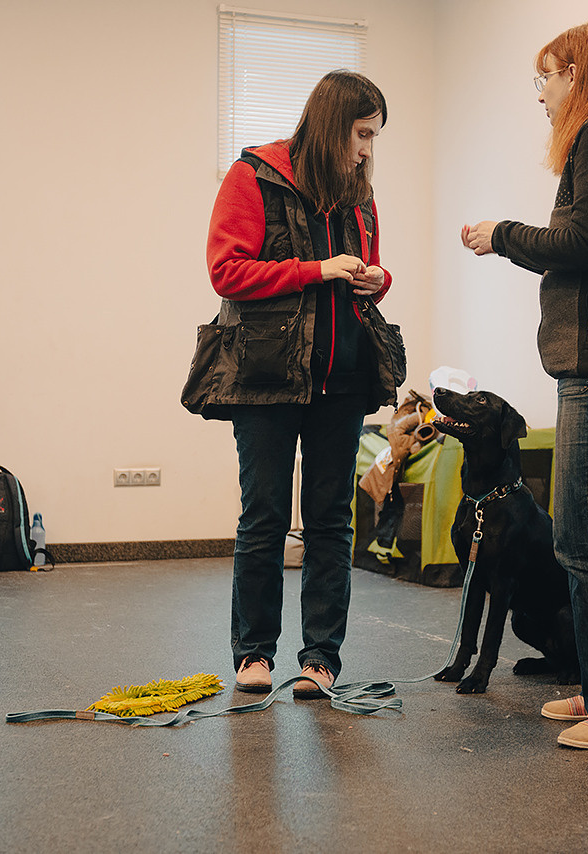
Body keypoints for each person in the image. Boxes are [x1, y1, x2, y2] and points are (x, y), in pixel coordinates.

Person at [460, 22, 588, 749]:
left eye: (546, 77)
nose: (541, 94)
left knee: (584, 534)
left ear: (577, 73)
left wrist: (502, 234)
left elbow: (583, 245)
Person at [202, 70, 398, 699]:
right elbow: (226, 271)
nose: (367, 149)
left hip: (342, 383)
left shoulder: (359, 192)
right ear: (332, 122)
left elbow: (365, 266)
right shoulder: (252, 178)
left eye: (374, 137)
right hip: (266, 380)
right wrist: (317, 269)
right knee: (263, 517)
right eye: (362, 133)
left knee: (331, 523)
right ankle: (254, 653)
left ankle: (320, 660)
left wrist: (377, 279)